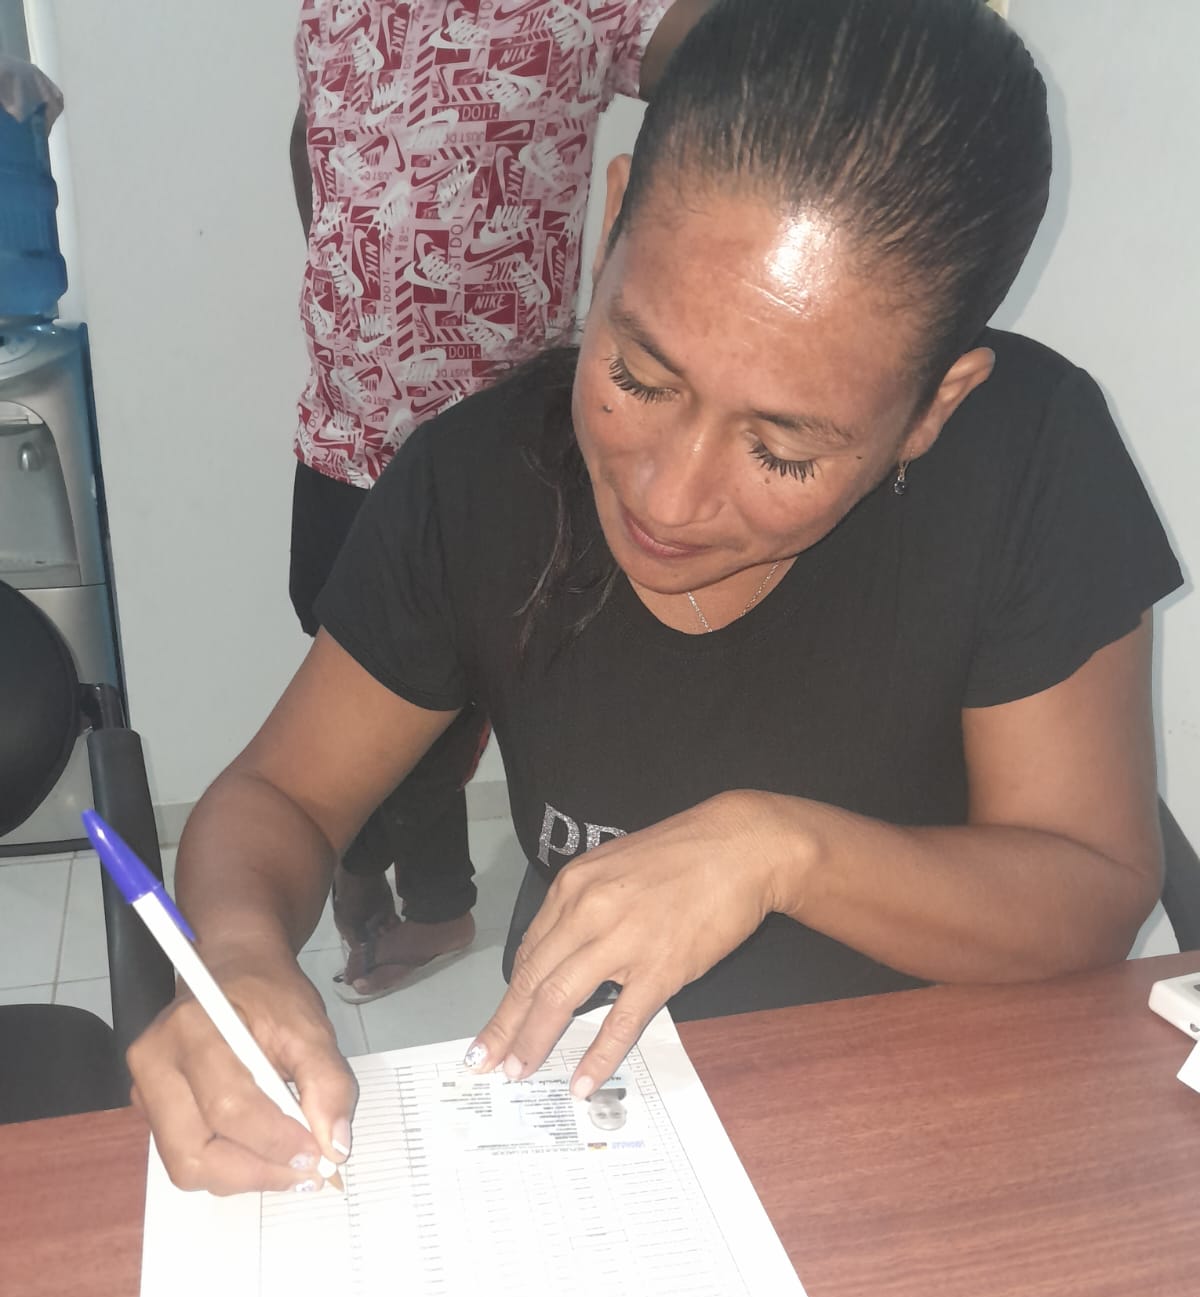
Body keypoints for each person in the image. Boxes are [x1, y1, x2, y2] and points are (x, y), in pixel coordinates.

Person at [132, 0, 1181, 1196]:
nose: (668, 500)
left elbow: (1094, 889)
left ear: (935, 407)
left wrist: (783, 852)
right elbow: (280, 795)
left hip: (941, 1126)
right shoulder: (479, 482)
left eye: (783, 451)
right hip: (616, 1146)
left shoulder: (1030, 461)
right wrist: (239, 956)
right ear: (610, 224)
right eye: (636, 375)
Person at [287, 0, 710, 1001]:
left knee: (463, 685)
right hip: (342, 423)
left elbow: (746, 64)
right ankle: (415, 883)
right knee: (353, 654)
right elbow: (313, 129)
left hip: (497, 443)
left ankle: (400, 880)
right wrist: (342, 262)